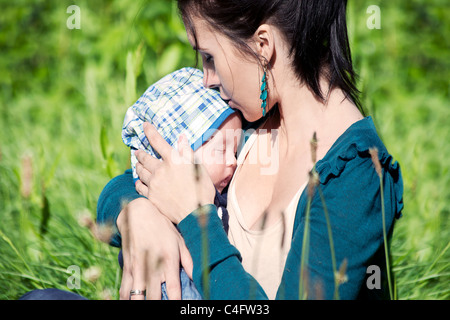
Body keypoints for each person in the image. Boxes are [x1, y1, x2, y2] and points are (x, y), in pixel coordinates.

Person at [97, 0, 403, 300]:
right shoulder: (245, 118)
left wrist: (196, 220)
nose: (207, 80)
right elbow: (128, 185)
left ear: (262, 45)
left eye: (210, 57)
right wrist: (137, 214)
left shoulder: (356, 175)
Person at [118, 66, 242, 299]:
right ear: (179, 153)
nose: (233, 162)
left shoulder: (220, 192)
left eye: (235, 150)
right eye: (222, 149)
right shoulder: (158, 206)